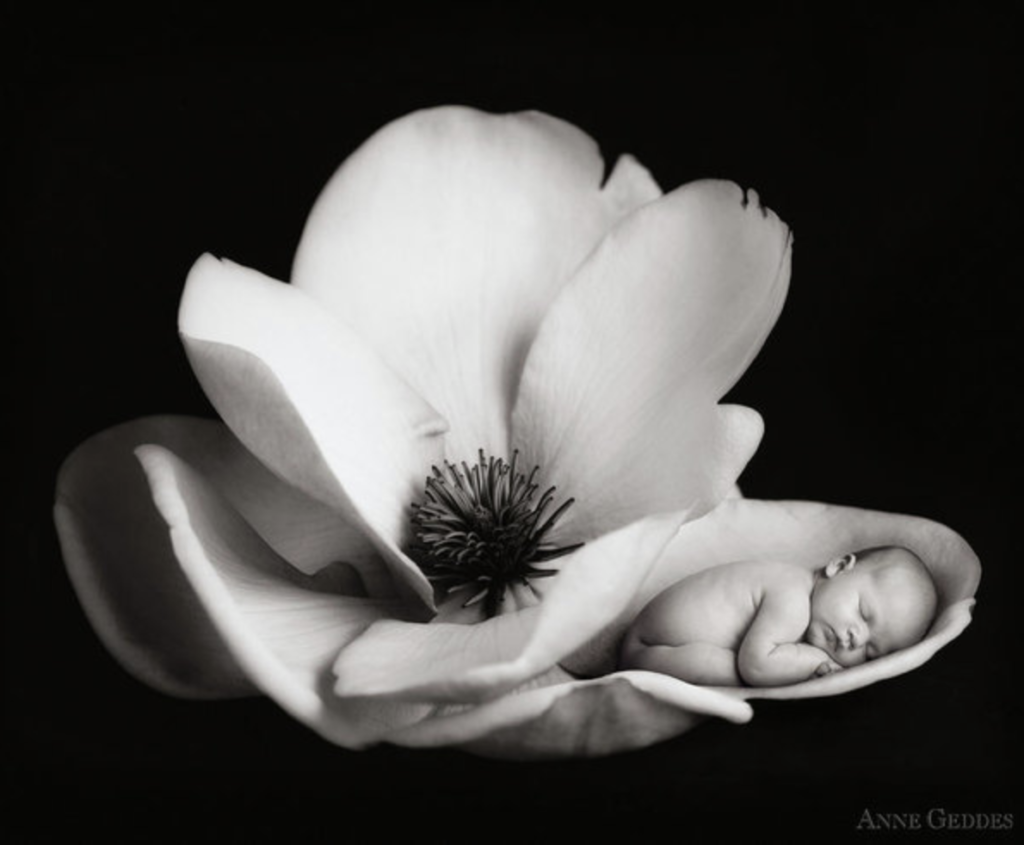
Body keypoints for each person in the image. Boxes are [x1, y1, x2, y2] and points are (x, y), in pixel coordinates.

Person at [620, 547, 938, 686]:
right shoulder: (792, 597)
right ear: (839, 567)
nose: (857, 638)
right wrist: (815, 663)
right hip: (651, 651)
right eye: (863, 613)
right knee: (739, 674)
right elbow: (758, 665)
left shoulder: (797, 591)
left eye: (870, 652)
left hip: (655, 645)